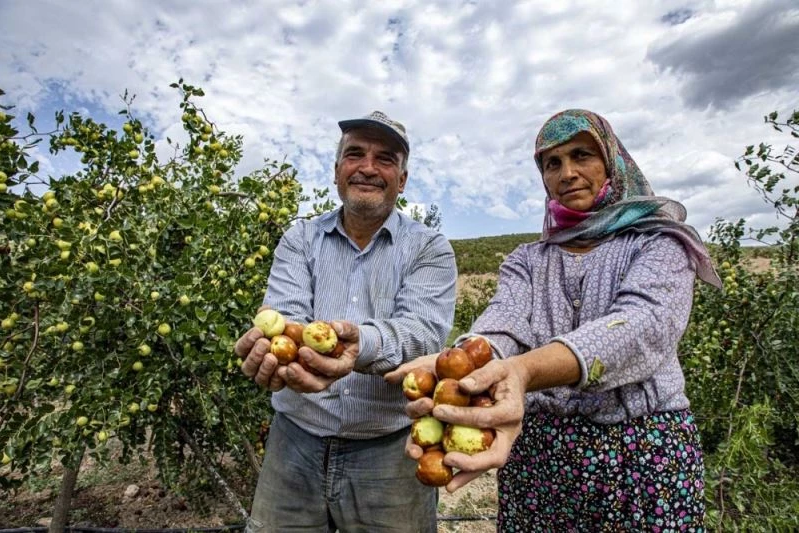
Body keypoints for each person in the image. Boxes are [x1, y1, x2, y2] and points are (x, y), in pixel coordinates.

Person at [386, 109, 721, 532]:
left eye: (582, 155)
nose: (567, 173)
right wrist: (465, 363)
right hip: (539, 457)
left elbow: (642, 326)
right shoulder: (528, 260)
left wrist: (523, 371)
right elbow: (503, 322)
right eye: (552, 163)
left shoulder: (659, 243)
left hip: (641, 454)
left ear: (612, 162)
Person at [234, 110, 457, 533]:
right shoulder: (300, 239)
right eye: (355, 154)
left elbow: (424, 333)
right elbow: (284, 318)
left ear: (402, 180)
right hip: (295, 440)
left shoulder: (429, 248)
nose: (367, 168)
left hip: (389, 450)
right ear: (337, 171)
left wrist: (361, 344)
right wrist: (282, 357)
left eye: (385, 159)